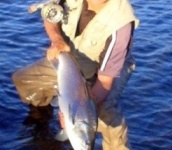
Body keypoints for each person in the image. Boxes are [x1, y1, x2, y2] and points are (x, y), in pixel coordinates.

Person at [12, 0, 139, 149]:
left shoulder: (121, 23)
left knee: (105, 114)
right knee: (24, 80)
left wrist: (79, 106)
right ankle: (41, 117)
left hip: (111, 68)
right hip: (72, 55)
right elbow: (49, 13)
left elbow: (104, 82)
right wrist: (57, 40)